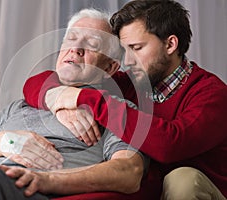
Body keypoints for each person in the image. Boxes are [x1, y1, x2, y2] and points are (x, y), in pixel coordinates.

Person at [0, 9, 149, 200]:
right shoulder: (19, 107)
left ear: (110, 68)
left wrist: (46, 179)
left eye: (92, 44)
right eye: (70, 39)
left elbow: (129, 172)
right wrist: (1, 143)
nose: (76, 48)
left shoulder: (117, 108)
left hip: (30, 190)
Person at [23, 1, 227, 199]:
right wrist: (59, 97)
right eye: (124, 51)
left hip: (202, 191)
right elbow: (37, 82)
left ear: (170, 44)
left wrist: (83, 97)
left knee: (182, 180)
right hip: (150, 192)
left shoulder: (212, 94)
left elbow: (170, 145)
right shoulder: (132, 81)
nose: (127, 61)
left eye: (136, 48)